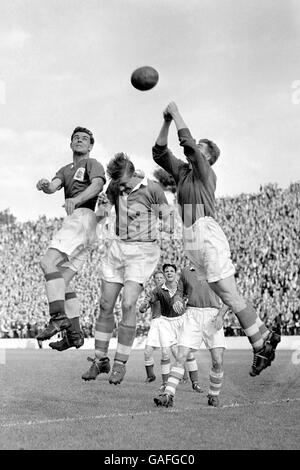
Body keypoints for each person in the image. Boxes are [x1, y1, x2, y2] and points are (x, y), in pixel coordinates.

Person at [152, 102, 281, 376]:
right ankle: (266, 335)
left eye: (200, 149)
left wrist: (176, 114)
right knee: (224, 292)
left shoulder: (204, 171)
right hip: (191, 239)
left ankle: (260, 346)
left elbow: (187, 145)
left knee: (229, 294)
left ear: (207, 157)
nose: (195, 150)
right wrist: (165, 122)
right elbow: (159, 153)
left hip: (205, 232)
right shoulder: (183, 172)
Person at [81, 152, 174, 385]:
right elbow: (102, 214)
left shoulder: (152, 189)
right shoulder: (115, 186)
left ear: (133, 175)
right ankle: (101, 360)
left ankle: (120, 363)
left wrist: (163, 220)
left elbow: (169, 222)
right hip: (118, 248)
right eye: (117, 184)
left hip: (142, 252)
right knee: (105, 304)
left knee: (129, 303)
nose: (120, 187)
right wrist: (99, 213)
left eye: (123, 183)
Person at [36, 127, 106, 350]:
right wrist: (45, 186)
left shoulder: (92, 163)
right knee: (63, 281)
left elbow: (97, 185)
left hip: (82, 216)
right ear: (70, 144)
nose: (79, 140)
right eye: (76, 138)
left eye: (84, 139)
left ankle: (57, 317)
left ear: (91, 145)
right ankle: (74, 335)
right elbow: (53, 187)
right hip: (87, 227)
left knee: (47, 263)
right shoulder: (65, 169)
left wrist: (76, 200)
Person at [154, 265, 228, 408]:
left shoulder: (217, 269)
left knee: (218, 360)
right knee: (181, 356)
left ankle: (213, 395)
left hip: (213, 315)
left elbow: (229, 296)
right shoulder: (187, 272)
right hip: (192, 315)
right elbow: (179, 293)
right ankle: (168, 395)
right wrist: (176, 300)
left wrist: (220, 316)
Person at [143, 263, 203, 393]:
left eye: (171, 271)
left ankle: (195, 382)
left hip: (182, 321)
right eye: (166, 271)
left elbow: (191, 295)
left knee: (189, 353)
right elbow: (149, 300)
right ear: (164, 274)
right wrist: (144, 305)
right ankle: (165, 383)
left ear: (175, 273)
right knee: (165, 353)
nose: (169, 273)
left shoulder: (181, 287)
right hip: (166, 322)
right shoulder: (159, 290)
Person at [139, 270, 165, 383]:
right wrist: (143, 306)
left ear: (165, 279)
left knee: (172, 352)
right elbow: (142, 308)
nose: (159, 280)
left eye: (161, 278)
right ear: (154, 280)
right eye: (157, 278)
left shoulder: (172, 291)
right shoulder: (152, 293)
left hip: (169, 323)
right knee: (147, 352)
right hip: (156, 323)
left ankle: (183, 376)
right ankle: (150, 376)